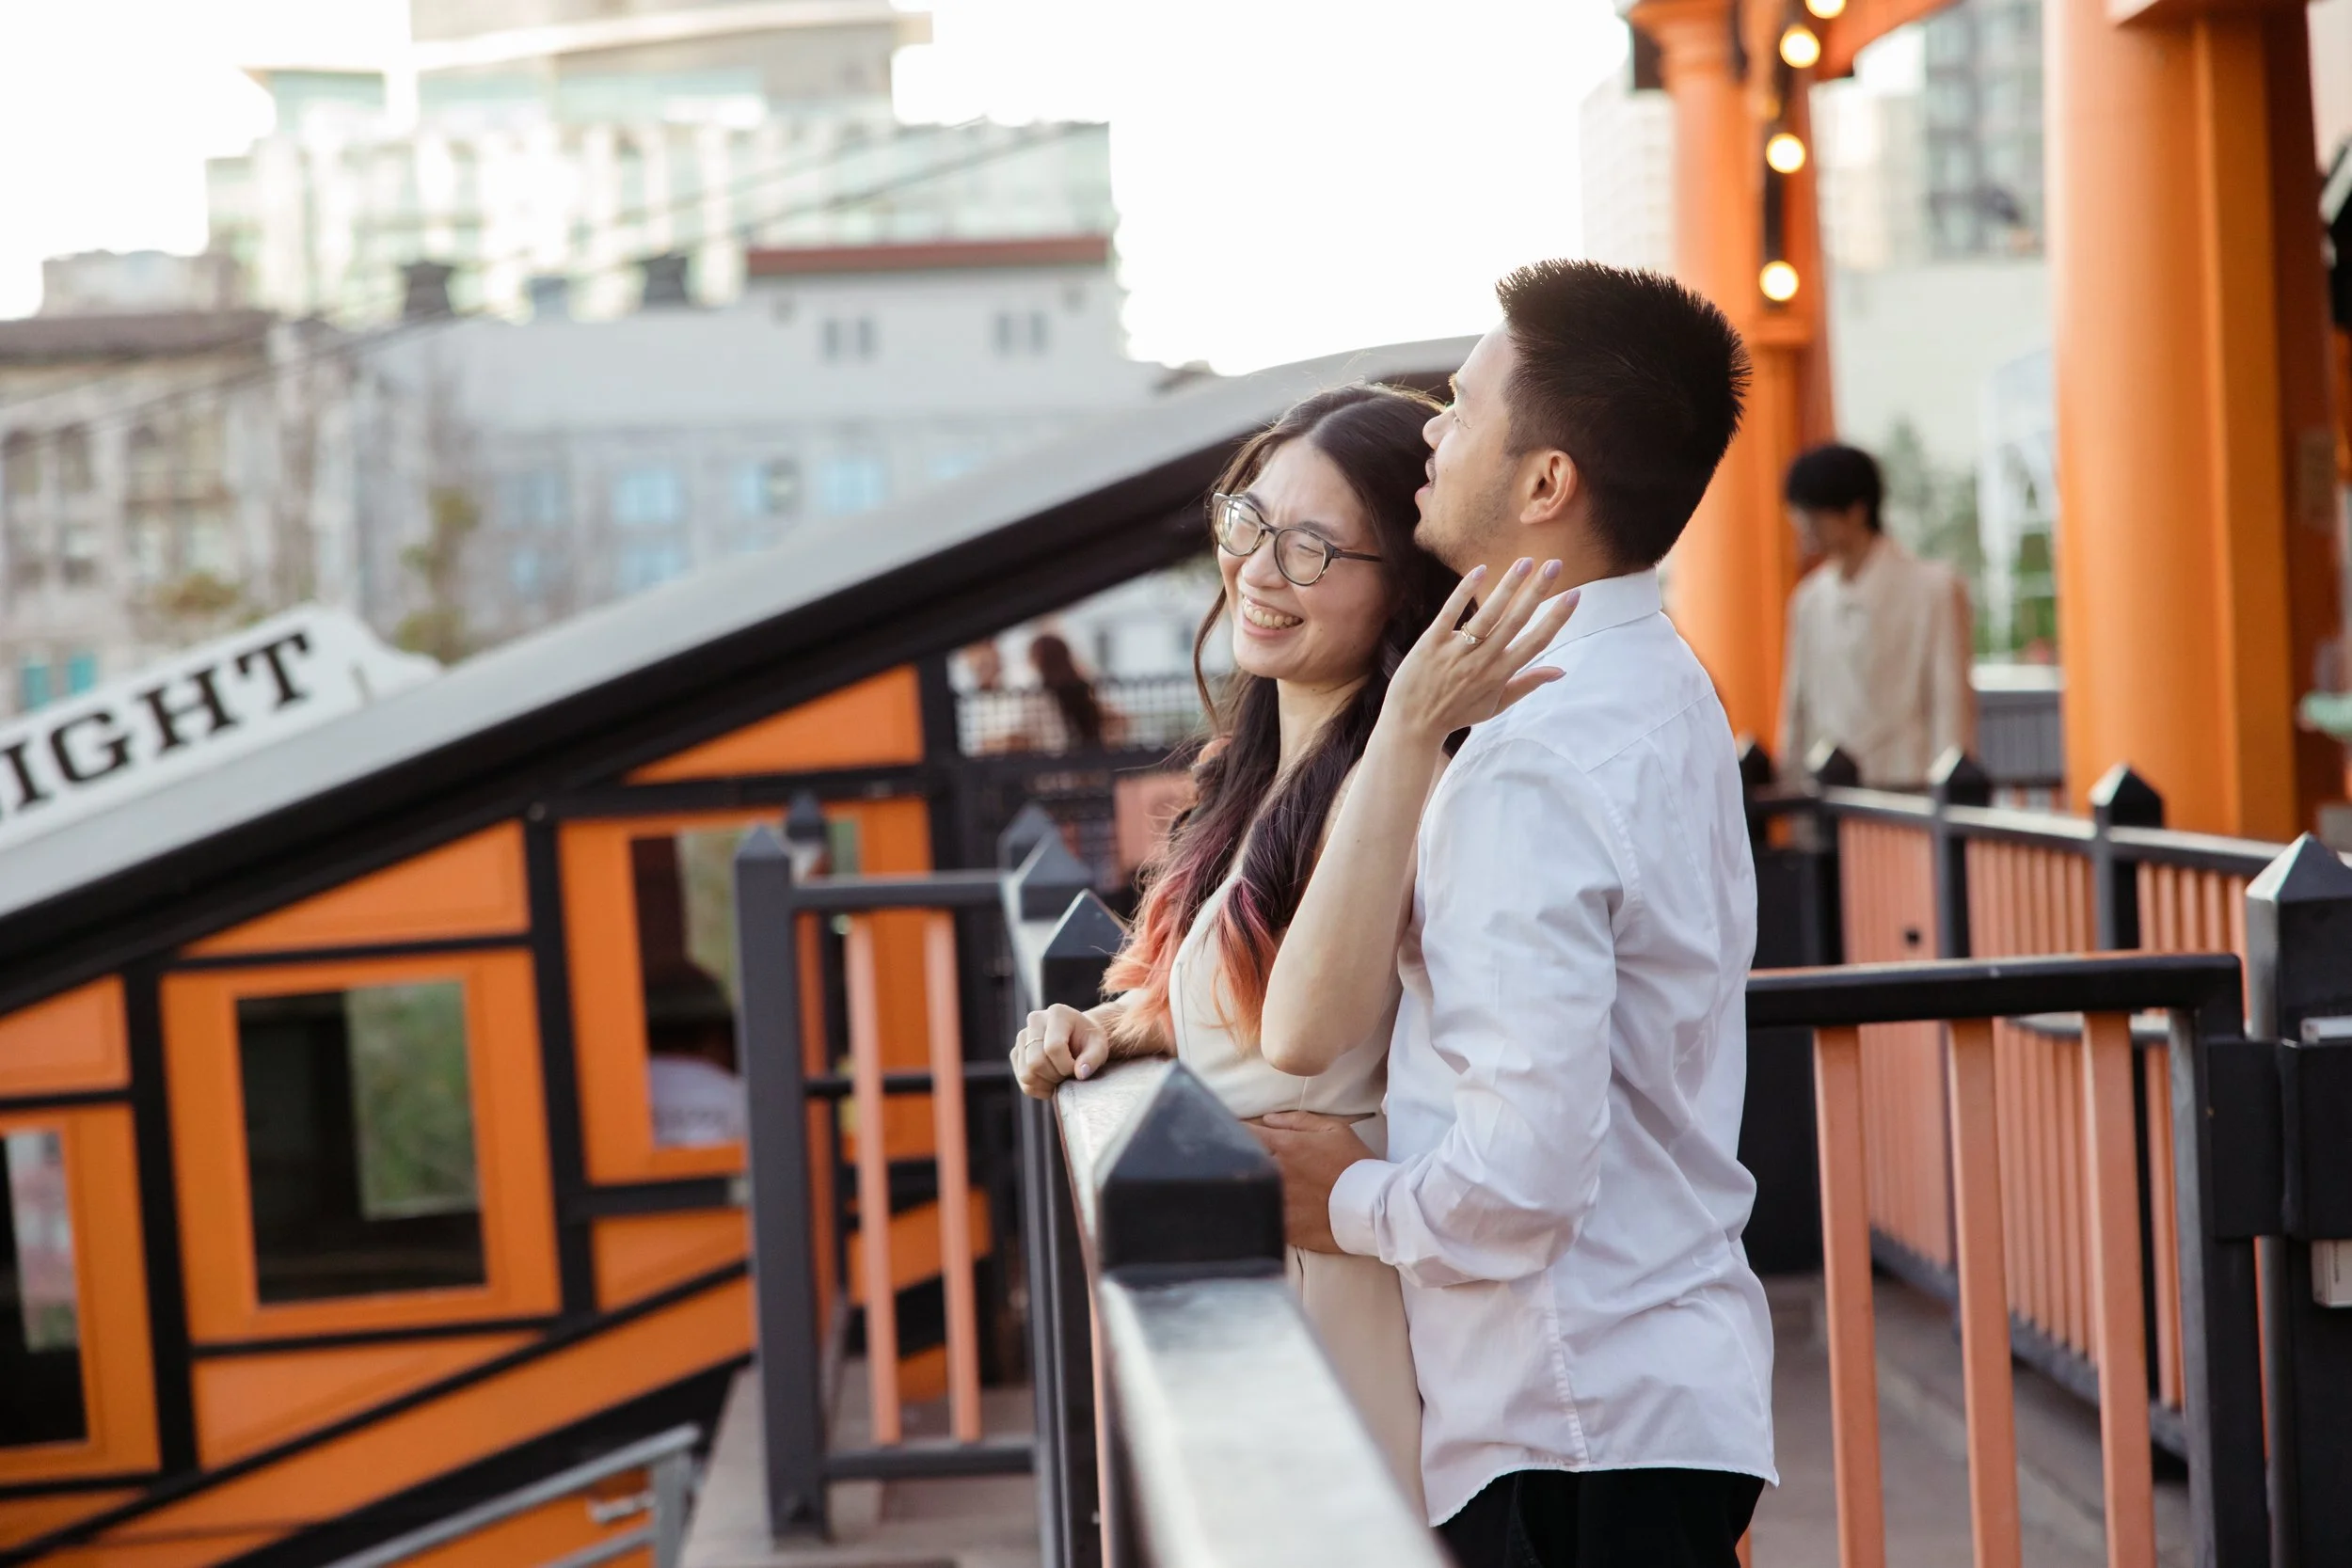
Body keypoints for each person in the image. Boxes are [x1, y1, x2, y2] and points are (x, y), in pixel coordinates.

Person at [1250, 261, 1776, 1566]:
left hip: (1570, 1416)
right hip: (1651, 1388)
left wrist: (1346, 1198)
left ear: (1546, 482)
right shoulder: (1660, 683)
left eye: (1466, 405)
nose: (1431, 427)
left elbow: (1524, 1175)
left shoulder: (1535, 750)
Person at [1010, 382, 1539, 1513]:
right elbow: (1228, 997)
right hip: (1248, 1277)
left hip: (1317, 1300)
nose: (1256, 567)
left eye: (1310, 547)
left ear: (1403, 584)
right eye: (1247, 520)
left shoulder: (1401, 776)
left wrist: (1406, 719)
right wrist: (1108, 1019)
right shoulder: (1265, 775)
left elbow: (1304, 1033)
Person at [1778, 442, 1975, 787]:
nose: (1802, 524)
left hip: (1908, 793)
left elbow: (1951, 704)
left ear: (1855, 511)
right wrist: (1792, 791)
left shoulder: (1934, 590)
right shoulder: (1808, 602)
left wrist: (1950, 798)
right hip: (1829, 798)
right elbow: (1799, 708)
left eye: (1814, 512)